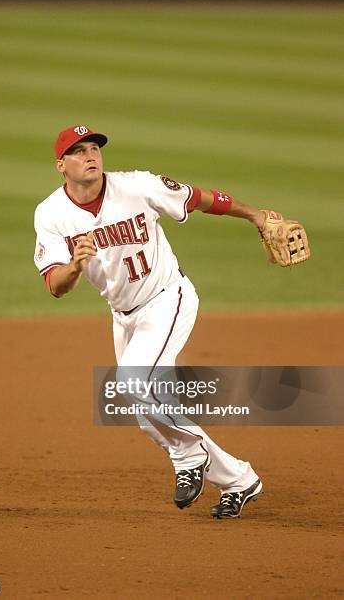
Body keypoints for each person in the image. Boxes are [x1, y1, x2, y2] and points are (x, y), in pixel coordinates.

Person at [34, 124, 267, 519]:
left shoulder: (137, 186)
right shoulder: (51, 214)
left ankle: (188, 455)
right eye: (78, 151)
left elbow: (196, 198)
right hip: (123, 316)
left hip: (166, 299)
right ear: (61, 165)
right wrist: (75, 266)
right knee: (146, 414)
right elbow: (55, 285)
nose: (90, 155)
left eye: (94, 148)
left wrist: (254, 215)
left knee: (134, 382)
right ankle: (239, 480)